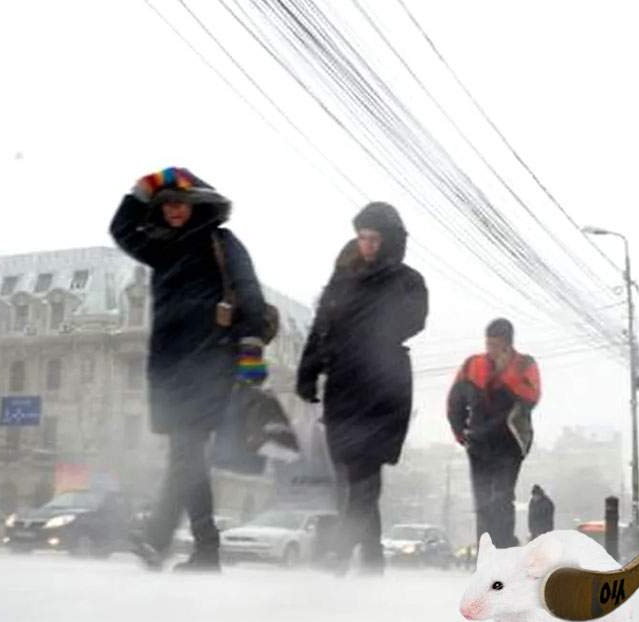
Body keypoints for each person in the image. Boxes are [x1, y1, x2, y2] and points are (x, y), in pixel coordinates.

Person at [110, 167, 268, 573]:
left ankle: (158, 540)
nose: (174, 212)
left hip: (210, 360)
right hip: (169, 367)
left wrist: (251, 352)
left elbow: (249, 291)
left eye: (181, 203)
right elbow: (122, 228)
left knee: (184, 452)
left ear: (196, 204)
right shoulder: (162, 248)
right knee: (187, 457)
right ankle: (205, 551)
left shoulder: (220, 241)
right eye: (165, 206)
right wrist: (145, 187)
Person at [296, 202, 428, 576]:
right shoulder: (341, 281)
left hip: (385, 388)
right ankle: (371, 563)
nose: (367, 245)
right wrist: (308, 373)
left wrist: (371, 322)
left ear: (389, 241)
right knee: (346, 478)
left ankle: (340, 550)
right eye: (362, 238)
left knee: (366, 475)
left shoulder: (408, 281)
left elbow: (414, 321)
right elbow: (321, 329)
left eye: (374, 238)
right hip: (343, 387)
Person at [447, 318, 541, 549]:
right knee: (482, 503)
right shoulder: (472, 365)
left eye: (496, 345)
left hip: (510, 444)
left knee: (501, 498)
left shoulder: (524, 365)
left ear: (508, 345)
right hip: (478, 443)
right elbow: (454, 402)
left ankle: (503, 549)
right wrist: (461, 433)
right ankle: (486, 554)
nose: (491, 350)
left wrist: (506, 375)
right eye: (488, 344)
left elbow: (531, 397)